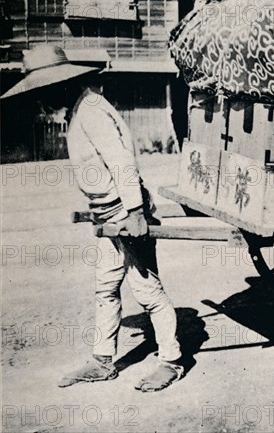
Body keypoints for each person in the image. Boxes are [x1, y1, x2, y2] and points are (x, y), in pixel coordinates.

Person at [2, 45, 184, 390]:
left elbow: (121, 163)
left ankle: (171, 360)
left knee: (147, 290)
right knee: (105, 286)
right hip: (106, 214)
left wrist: (134, 213)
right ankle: (102, 360)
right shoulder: (80, 107)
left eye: (46, 91)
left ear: (62, 83)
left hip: (124, 212)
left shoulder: (91, 111)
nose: (43, 100)